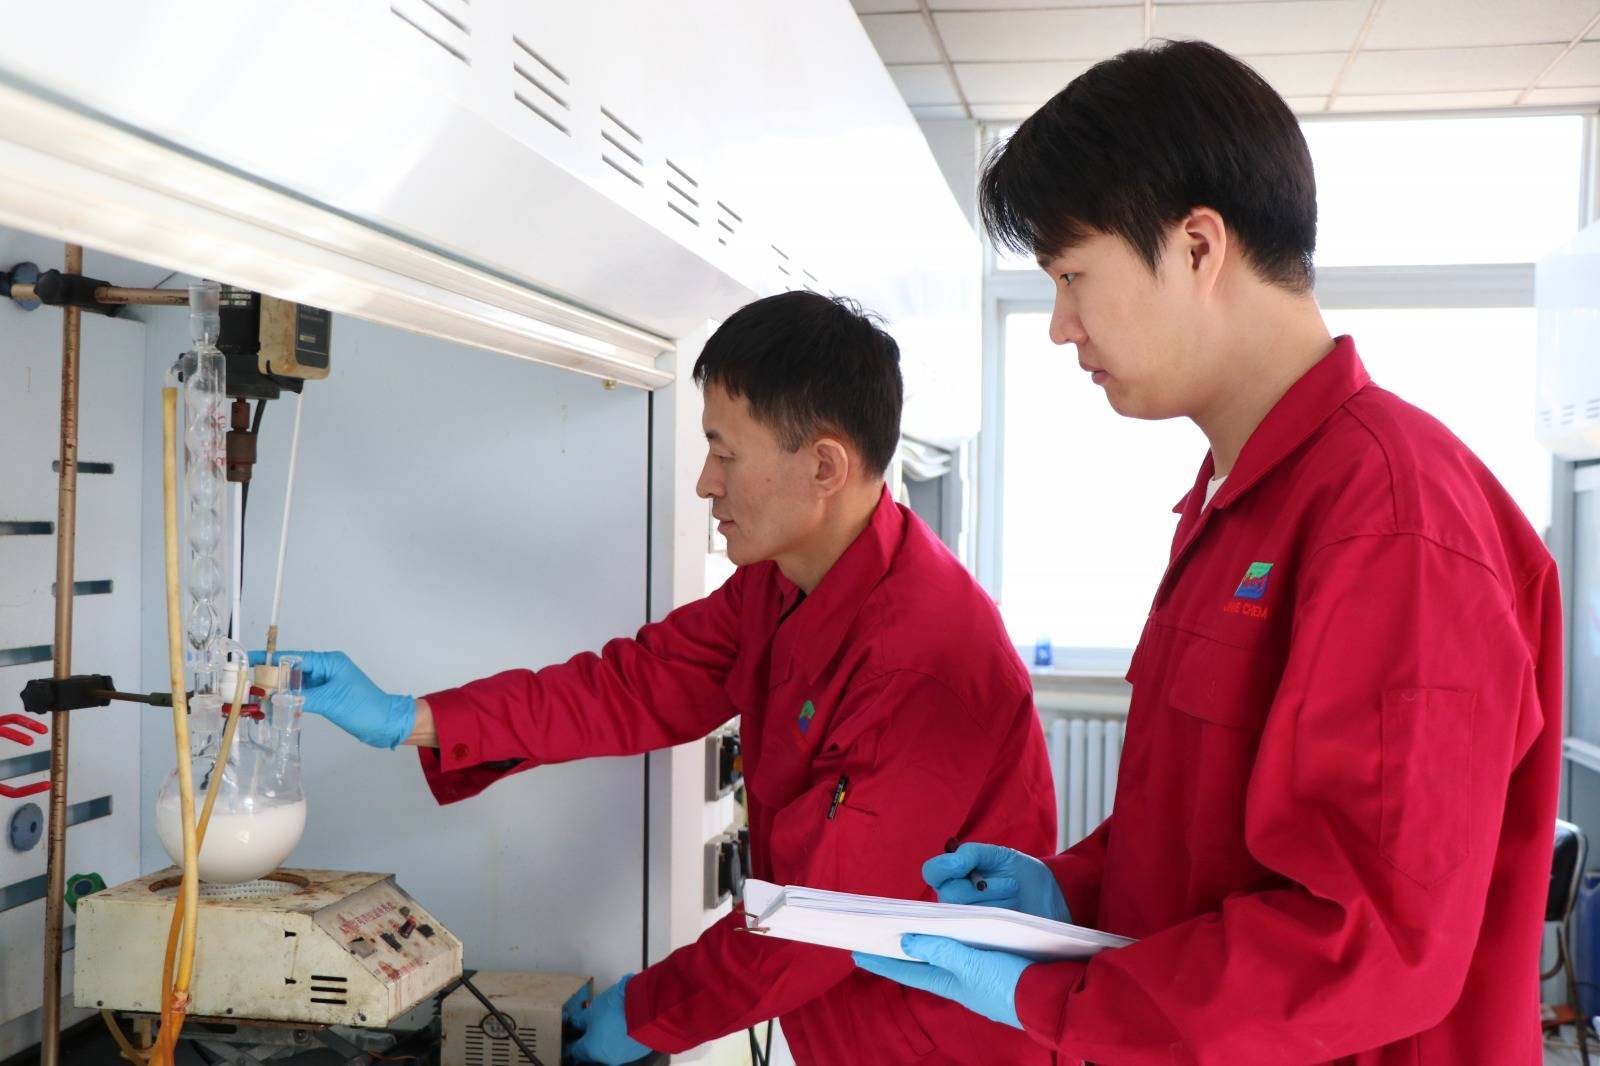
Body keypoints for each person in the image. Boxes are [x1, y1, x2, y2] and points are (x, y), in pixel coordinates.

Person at [855, 40, 1563, 1065]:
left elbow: (1364, 943)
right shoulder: (1234, 502)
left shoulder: (1389, 516)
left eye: (1072, 276)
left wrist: (1058, 999)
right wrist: (1073, 892)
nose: (1059, 327)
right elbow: (1208, 835)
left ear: (1196, 247)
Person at [265, 291, 1058, 1065]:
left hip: (938, 1040)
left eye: (725, 453)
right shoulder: (784, 581)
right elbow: (631, 686)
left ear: (824, 466)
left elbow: (823, 922)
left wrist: (647, 1013)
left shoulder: (923, 663)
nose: (706, 482)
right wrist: (411, 718)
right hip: (843, 1021)